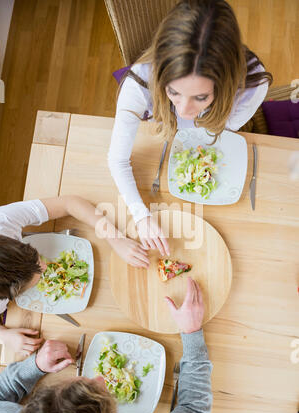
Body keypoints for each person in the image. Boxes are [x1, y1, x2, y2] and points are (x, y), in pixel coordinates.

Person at [107, 0, 273, 256]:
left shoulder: (253, 84)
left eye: (201, 97)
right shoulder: (139, 83)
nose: (184, 111)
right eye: (173, 91)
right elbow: (117, 160)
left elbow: (215, 132)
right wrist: (141, 217)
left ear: (226, 86)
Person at [0, 277, 213, 413]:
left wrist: (35, 366)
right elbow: (194, 410)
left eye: (75, 383)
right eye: (103, 396)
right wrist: (192, 333)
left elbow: (2, 391)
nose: (101, 378)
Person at [0, 195, 149, 355]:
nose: (45, 266)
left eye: (35, 255)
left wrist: (116, 239)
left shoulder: (3, 222)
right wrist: (4, 336)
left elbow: (70, 203)